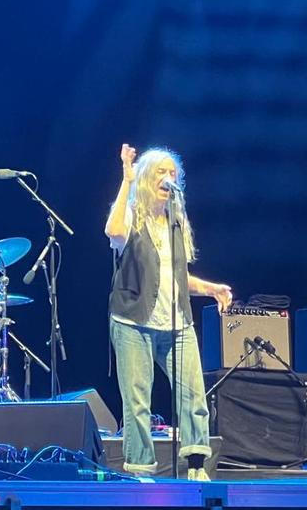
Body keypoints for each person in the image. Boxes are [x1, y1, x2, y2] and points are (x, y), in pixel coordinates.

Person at [104, 144, 233, 482]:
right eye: (160, 172)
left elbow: (177, 277)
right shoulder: (132, 215)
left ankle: (196, 465)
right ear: (147, 178)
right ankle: (141, 469)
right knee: (137, 402)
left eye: (172, 173)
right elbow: (113, 231)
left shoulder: (176, 222)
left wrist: (211, 288)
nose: (167, 178)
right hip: (133, 322)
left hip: (176, 323)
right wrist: (127, 180)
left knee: (193, 394)